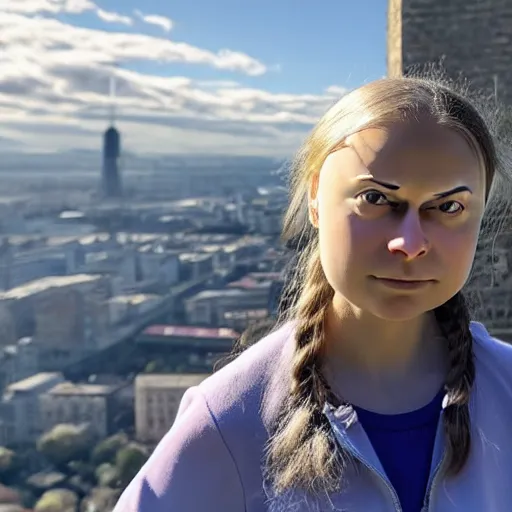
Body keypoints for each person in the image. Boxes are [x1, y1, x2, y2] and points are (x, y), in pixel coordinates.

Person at [113, 76, 512, 512]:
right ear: (315, 200)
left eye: (449, 207)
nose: (410, 243)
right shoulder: (231, 418)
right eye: (375, 197)